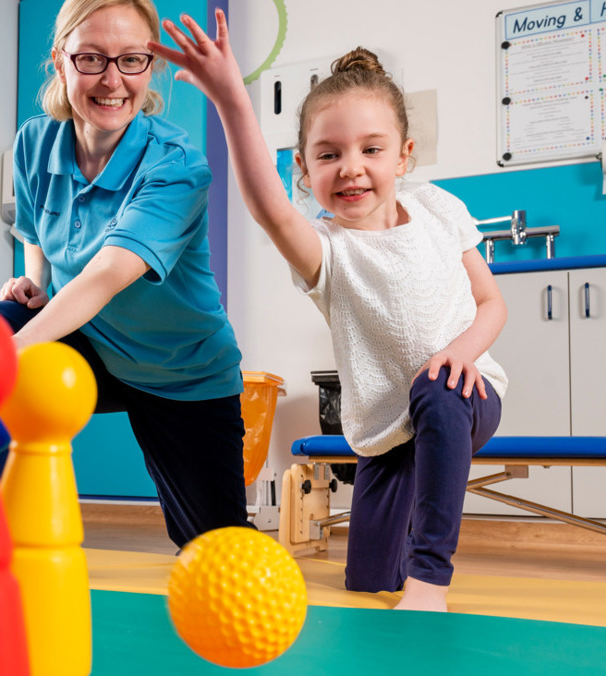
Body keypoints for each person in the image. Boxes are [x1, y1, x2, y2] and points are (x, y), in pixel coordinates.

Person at [150, 10, 508, 611]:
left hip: (465, 394)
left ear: (404, 155)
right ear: (303, 168)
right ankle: (397, 558)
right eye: (328, 154)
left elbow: (491, 302)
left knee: (437, 390)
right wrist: (231, 97)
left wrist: (460, 354)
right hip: (386, 429)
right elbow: (269, 209)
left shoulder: (440, 209)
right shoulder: (327, 251)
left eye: (372, 149)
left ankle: (431, 579)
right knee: (367, 581)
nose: (351, 167)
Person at [0, 0, 251, 549]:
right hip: (92, 345)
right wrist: (34, 280)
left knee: (215, 549)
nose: (112, 80)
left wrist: (9, 356)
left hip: (183, 373)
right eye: (91, 58)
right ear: (60, 61)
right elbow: (35, 228)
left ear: (150, 66)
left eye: (131, 59)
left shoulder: (177, 164)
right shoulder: (34, 141)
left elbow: (108, 273)